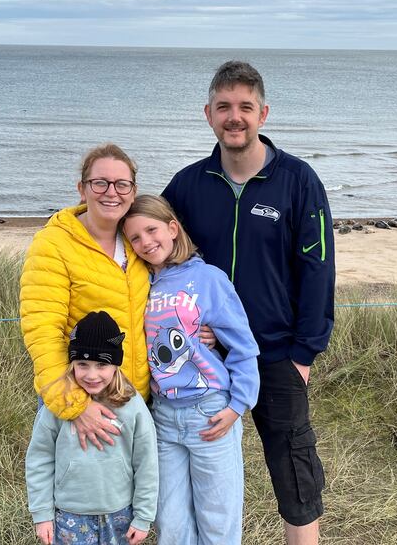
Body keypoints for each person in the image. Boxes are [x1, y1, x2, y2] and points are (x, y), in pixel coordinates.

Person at [162, 61, 335, 545]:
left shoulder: (299, 181)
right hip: (204, 358)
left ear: (263, 113)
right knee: (203, 470)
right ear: (208, 114)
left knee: (293, 467)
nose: (233, 117)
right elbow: (151, 247)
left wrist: (305, 354)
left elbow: (318, 269)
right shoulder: (187, 185)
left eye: (244, 107)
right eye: (223, 107)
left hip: (279, 354)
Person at [121, 194, 260, 545]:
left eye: (151, 230)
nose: (145, 243)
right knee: (170, 521)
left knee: (217, 519)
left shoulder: (208, 278)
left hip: (209, 412)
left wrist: (237, 406)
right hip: (163, 416)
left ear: (172, 228)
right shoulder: (140, 284)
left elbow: (243, 345)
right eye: (135, 238)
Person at [20, 143, 150, 451]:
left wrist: (204, 328)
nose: (111, 192)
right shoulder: (53, 243)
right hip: (84, 399)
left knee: (137, 494)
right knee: (78, 496)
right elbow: (42, 333)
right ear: (82, 188)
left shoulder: (139, 241)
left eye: (122, 184)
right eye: (99, 183)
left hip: (136, 399)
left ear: (133, 191)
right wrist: (75, 406)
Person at [25, 310, 158, 545]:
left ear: (116, 364)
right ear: (72, 363)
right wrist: (42, 515)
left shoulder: (133, 405)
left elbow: (146, 462)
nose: (92, 374)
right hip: (68, 514)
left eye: (101, 364)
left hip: (120, 512)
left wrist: (144, 516)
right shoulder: (59, 405)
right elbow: (39, 459)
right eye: (82, 364)